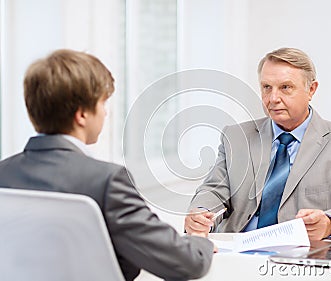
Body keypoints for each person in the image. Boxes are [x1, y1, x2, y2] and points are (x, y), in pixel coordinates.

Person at [0, 49, 214, 281]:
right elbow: (188, 263)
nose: (105, 113)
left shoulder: (4, 174)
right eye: (102, 103)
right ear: (82, 115)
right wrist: (199, 241)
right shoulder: (107, 182)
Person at [185, 47, 331, 241]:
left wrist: (329, 223)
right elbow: (215, 189)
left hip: (303, 256)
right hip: (237, 250)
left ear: (311, 89)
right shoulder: (236, 137)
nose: (273, 98)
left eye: (285, 87)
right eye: (267, 87)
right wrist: (201, 212)